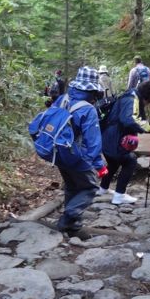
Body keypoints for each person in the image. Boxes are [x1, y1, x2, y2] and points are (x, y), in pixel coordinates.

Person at [51, 66, 108, 236]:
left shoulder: (63, 99)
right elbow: (93, 140)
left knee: (72, 185)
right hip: (75, 154)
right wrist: (99, 165)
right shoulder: (88, 109)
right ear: (92, 90)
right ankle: (68, 219)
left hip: (57, 151)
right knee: (90, 187)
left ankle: (73, 225)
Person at [100, 80, 150, 205]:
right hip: (113, 139)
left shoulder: (129, 95)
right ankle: (119, 196)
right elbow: (128, 119)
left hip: (107, 138)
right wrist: (149, 127)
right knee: (130, 161)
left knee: (113, 163)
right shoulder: (131, 100)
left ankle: (103, 188)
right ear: (147, 98)